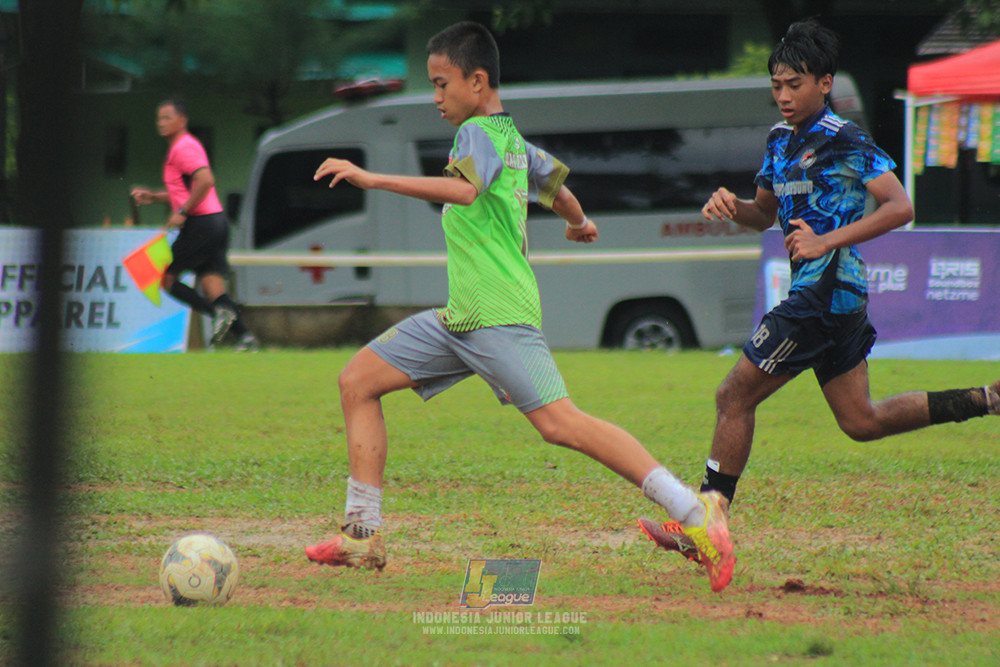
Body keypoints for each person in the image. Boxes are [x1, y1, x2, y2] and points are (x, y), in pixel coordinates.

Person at [303, 21, 736, 592]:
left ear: (477, 81)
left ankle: (695, 514)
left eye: (441, 84)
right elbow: (557, 189)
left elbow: (462, 191)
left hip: (499, 317)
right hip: (461, 318)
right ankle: (361, 534)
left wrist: (370, 177)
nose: (435, 97)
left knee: (563, 424)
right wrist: (579, 223)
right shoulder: (512, 141)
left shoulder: (476, 136)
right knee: (357, 380)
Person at [640, 19, 999, 561]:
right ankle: (988, 399)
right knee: (861, 421)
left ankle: (707, 523)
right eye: (777, 85)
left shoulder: (846, 139)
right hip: (833, 300)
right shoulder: (779, 141)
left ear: (824, 83)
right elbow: (763, 214)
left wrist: (825, 239)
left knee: (732, 396)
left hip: (823, 296)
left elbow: (900, 208)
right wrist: (728, 206)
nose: (784, 96)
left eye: (795, 84)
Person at [130, 98, 258, 352]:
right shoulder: (182, 148)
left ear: (183, 120)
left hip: (201, 224)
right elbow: (187, 189)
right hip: (215, 222)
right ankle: (246, 339)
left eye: (168, 117)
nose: (162, 123)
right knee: (213, 285)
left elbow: (205, 180)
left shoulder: (183, 148)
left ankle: (217, 315)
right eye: (159, 118)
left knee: (165, 278)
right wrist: (155, 197)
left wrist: (183, 211)